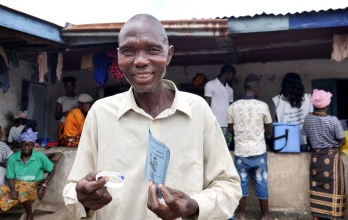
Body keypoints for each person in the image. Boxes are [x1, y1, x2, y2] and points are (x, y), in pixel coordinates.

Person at [63, 14, 242, 220]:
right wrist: (82, 199)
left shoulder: (198, 110)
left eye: (153, 49)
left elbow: (228, 184)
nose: (140, 61)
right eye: (129, 51)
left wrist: (194, 206)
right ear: (119, 56)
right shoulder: (100, 113)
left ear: (169, 54)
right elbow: (74, 187)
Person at [228, 74, 273, 220]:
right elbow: (269, 130)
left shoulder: (233, 107)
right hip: (259, 152)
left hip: (241, 153)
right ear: (254, 89)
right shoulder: (262, 106)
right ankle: (265, 215)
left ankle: (241, 214)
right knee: (262, 182)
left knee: (241, 183)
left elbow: (230, 129)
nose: (259, 90)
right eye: (258, 88)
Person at [0, 129, 55, 220]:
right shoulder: (13, 158)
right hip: (16, 185)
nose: (26, 147)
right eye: (24, 144)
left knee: (24, 192)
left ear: (33, 145)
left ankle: (29, 215)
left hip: (31, 187)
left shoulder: (40, 157)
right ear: (21, 144)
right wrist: (12, 190)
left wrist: (44, 185)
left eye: (29, 145)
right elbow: (11, 177)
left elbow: (52, 169)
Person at [302, 89, 346, 220]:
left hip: (316, 159)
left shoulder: (308, 119)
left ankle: (317, 216)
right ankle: (333, 216)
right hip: (331, 160)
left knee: (317, 188)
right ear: (327, 105)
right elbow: (342, 140)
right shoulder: (333, 121)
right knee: (334, 188)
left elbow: (308, 138)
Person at [272, 72, 313, 151]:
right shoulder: (308, 98)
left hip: (285, 140)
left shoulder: (278, 100)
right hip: (304, 140)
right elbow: (311, 118)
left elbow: (277, 119)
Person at [204, 64, 236, 147]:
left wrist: (231, 124)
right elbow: (207, 106)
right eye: (232, 75)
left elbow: (231, 108)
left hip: (227, 126)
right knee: (215, 149)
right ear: (228, 73)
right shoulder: (210, 85)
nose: (233, 78)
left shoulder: (230, 90)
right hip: (215, 125)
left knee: (226, 149)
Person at [55, 76, 78, 145]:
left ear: (74, 86)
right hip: (64, 124)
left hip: (75, 126)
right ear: (64, 87)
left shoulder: (78, 99)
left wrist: (75, 111)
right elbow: (56, 116)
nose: (69, 88)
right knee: (63, 143)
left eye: (71, 86)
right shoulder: (61, 99)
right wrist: (64, 113)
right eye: (67, 86)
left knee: (74, 143)